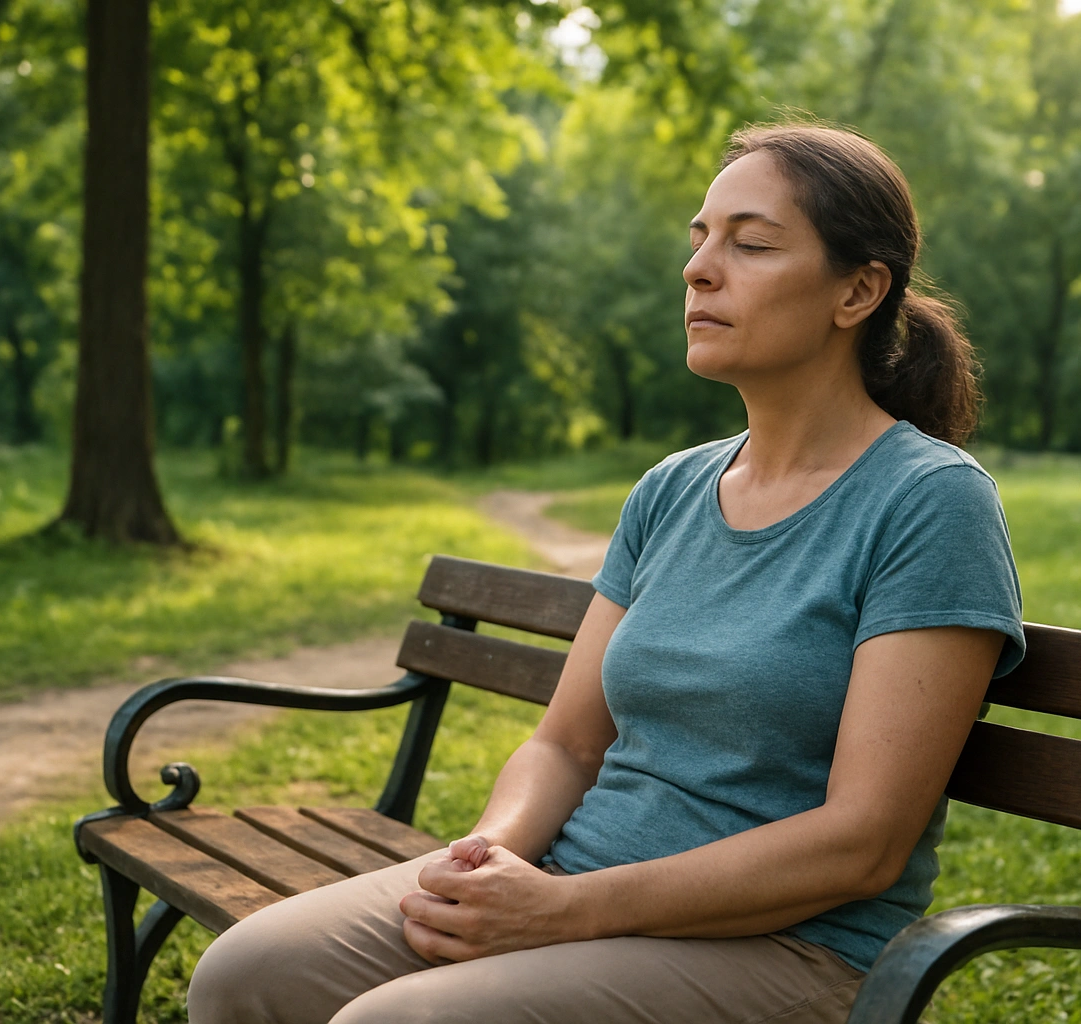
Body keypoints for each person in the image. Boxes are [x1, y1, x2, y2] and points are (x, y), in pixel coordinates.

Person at [187, 122, 1025, 1024]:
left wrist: (566, 913)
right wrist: (488, 859)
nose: (700, 268)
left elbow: (865, 843)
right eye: (699, 237)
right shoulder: (673, 488)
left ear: (858, 290)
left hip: (788, 947)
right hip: (570, 882)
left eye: (750, 243)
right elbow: (565, 744)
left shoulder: (929, 503)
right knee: (246, 972)